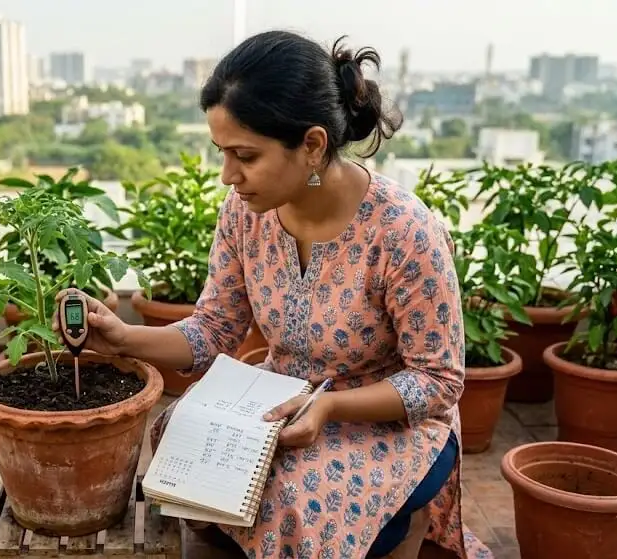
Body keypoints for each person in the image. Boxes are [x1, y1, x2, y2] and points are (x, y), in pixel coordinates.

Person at [54, 30, 493, 559]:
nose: (227, 175)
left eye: (244, 155)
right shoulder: (245, 214)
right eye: (221, 152)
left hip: (387, 419)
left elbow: (438, 380)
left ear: (311, 145)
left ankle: (402, 526)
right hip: (281, 399)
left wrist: (328, 407)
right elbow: (214, 329)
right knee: (178, 433)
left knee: (290, 498)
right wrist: (124, 338)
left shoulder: (403, 233)